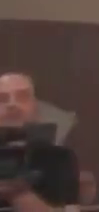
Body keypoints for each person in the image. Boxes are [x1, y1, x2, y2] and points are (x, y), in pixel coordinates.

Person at [0, 73, 78, 212]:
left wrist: (18, 195)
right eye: (2, 99)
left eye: (22, 97)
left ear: (35, 106)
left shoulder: (59, 159)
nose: (12, 104)